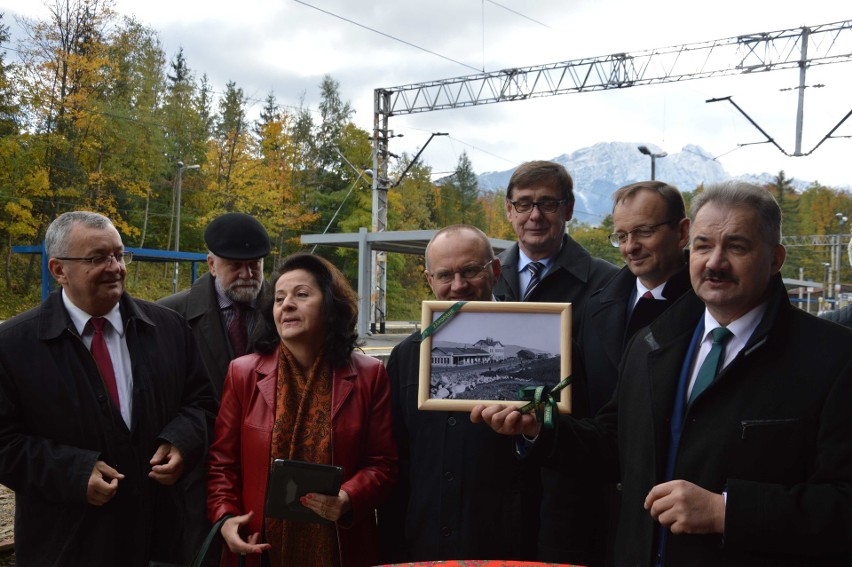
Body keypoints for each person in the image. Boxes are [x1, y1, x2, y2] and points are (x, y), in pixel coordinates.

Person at [474, 181, 852, 566]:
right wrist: (539, 428)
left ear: (775, 259)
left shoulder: (834, 359)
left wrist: (727, 512)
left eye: (736, 247)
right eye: (704, 246)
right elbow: (613, 445)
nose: (715, 262)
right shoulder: (652, 344)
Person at [0, 211, 217, 567]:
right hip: (66, 545)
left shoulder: (169, 329)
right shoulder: (13, 346)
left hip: (160, 540)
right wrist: (71, 473)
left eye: (119, 254)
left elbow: (202, 403)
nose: (115, 267)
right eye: (97, 258)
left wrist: (182, 440)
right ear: (58, 270)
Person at [207, 253, 397, 567]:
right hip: (258, 546)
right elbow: (222, 464)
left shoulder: (369, 375)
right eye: (279, 298)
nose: (287, 305)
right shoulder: (242, 373)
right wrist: (225, 517)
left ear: (330, 306)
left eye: (302, 295)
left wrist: (348, 498)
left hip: (339, 546)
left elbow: (383, 463)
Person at [377, 224, 542, 562]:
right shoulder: (407, 356)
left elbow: (560, 452)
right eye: (444, 275)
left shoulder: (540, 339)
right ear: (429, 280)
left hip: (507, 543)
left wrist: (534, 431)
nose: (458, 286)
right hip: (423, 542)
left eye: (470, 271)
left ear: (495, 270)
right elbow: (398, 458)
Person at [493, 160, 618, 564]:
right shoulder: (486, 278)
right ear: (509, 211)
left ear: (568, 209)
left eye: (548, 204)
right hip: (493, 480)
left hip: (570, 486)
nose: (535, 216)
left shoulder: (608, 284)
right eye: (524, 204)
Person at [568, 181, 691, 567]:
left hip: (675, 506)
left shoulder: (712, 306)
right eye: (621, 235)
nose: (629, 247)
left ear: (682, 232)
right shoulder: (595, 307)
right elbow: (584, 402)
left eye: (644, 231)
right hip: (598, 505)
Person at [159, 212, 271, 400]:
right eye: (235, 265)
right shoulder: (170, 314)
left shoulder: (285, 311)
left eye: (255, 264)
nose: (247, 275)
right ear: (212, 265)